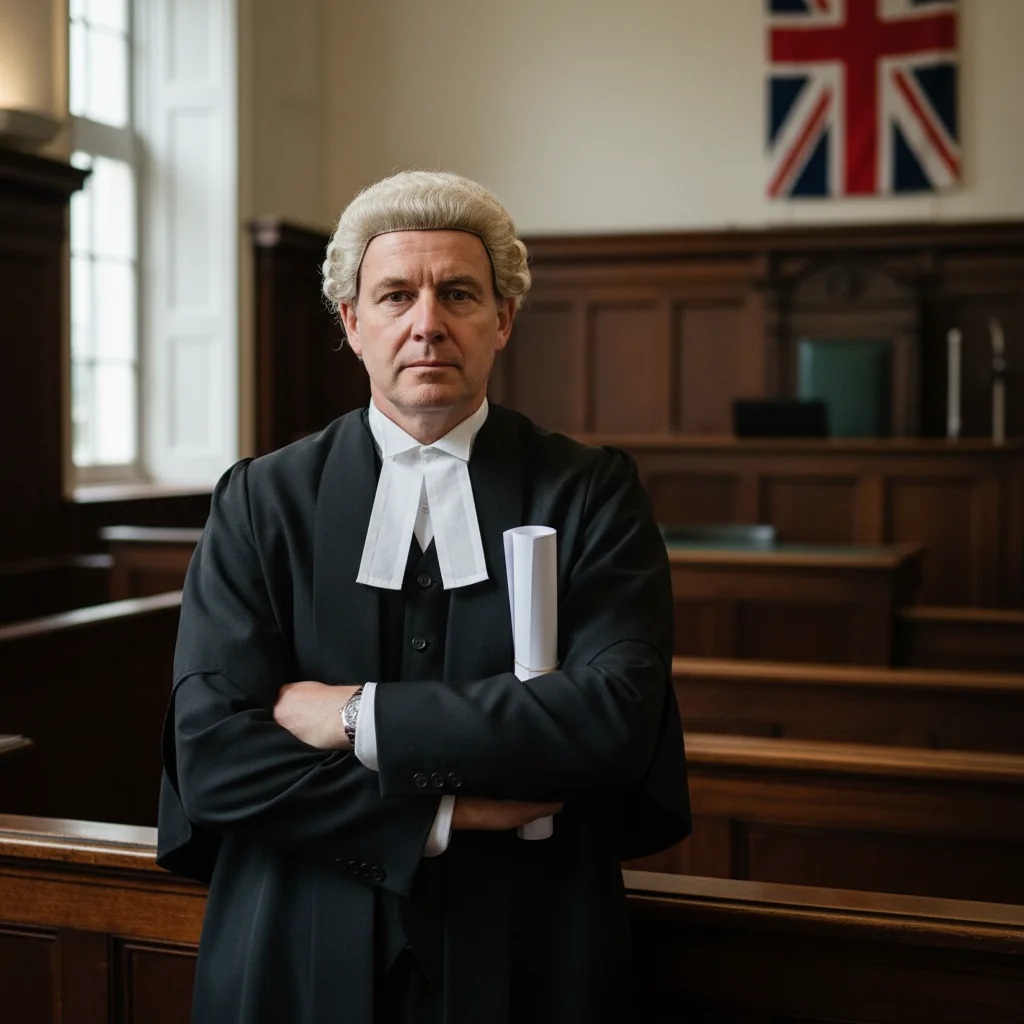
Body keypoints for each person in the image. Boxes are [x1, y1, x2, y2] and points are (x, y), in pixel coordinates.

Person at [157, 170, 690, 1024]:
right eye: (396, 294)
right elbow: (212, 758)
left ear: (503, 319)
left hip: (531, 940)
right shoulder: (260, 501)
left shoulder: (591, 493)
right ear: (352, 322)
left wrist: (356, 716)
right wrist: (444, 812)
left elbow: (615, 721)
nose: (427, 323)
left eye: (460, 294)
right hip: (298, 933)